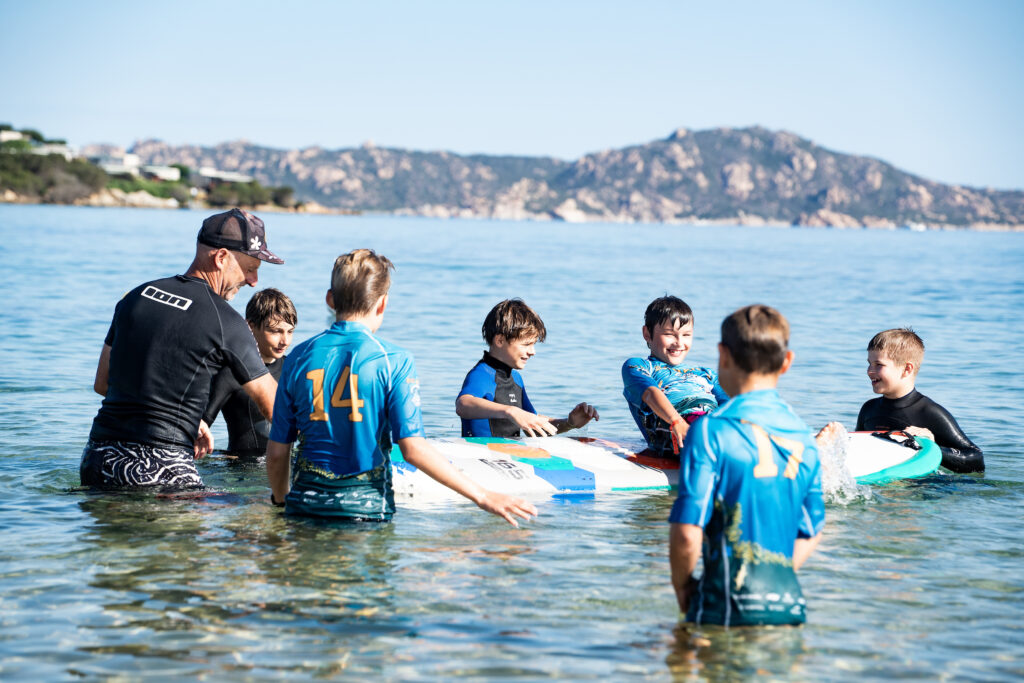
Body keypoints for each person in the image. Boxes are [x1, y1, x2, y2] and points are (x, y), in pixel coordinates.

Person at [266, 249, 538, 525]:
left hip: (302, 511)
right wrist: (483, 496)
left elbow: (277, 452)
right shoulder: (394, 360)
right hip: (366, 513)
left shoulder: (298, 358)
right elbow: (413, 449)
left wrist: (281, 502)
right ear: (383, 303)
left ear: (330, 299)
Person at [80, 208, 283, 490]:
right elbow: (275, 408)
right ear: (221, 257)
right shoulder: (226, 321)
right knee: (246, 515)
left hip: (98, 458)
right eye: (250, 269)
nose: (253, 281)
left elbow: (103, 384)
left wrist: (189, 421)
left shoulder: (136, 296)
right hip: (161, 468)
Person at [669, 304, 825, 627]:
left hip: (723, 605)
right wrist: (773, 576)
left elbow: (687, 532)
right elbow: (811, 531)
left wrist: (684, 588)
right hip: (789, 604)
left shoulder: (711, 431)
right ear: (787, 363)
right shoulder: (804, 437)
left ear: (722, 355)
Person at [456, 298, 599, 438]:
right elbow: (463, 405)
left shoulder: (516, 379)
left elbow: (533, 428)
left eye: (534, 344)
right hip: (482, 456)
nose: (533, 352)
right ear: (500, 340)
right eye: (526, 344)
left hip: (507, 456)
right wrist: (510, 411)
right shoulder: (481, 374)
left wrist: (570, 423)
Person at [854, 327, 983, 473]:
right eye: (869, 363)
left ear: (907, 369)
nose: (869, 371)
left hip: (922, 487)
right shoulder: (869, 409)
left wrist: (930, 446)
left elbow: (976, 459)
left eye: (879, 365)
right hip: (882, 482)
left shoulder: (929, 412)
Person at [622, 296, 729, 457]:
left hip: (710, 425)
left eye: (686, 335)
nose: (679, 343)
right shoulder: (637, 366)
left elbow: (730, 404)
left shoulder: (706, 374)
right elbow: (650, 394)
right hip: (673, 427)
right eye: (669, 334)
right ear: (647, 333)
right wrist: (676, 421)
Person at [203, 288, 296, 459]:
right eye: (275, 331)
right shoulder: (230, 373)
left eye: (289, 331)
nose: (285, 341)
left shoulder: (292, 368)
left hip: (285, 465)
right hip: (243, 474)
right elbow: (201, 424)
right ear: (250, 326)